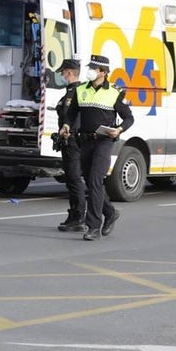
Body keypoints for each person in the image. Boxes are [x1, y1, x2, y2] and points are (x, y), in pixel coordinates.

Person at [62, 53, 133, 241]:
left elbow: (129, 117)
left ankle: (93, 226)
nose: (90, 71)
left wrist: (119, 130)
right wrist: (67, 125)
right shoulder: (81, 90)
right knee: (90, 181)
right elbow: (71, 113)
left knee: (95, 180)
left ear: (103, 72)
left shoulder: (114, 93)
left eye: (93, 68)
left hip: (104, 141)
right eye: (90, 68)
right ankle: (110, 212)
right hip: (85, 141)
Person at [54, 58, 86, 232]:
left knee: (74, 178)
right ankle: (75, 214)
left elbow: (75, 117)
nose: (61, 75)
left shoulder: (76, 92)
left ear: (69, 72)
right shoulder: (70, 92)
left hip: (73, 139)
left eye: (63, 72)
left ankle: (78, 216)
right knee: (71, 179)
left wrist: (69, 131)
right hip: (68, 139)